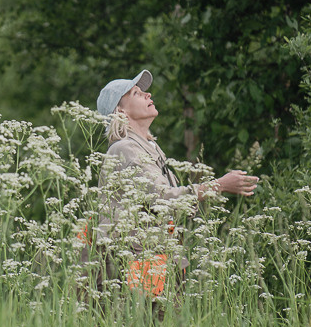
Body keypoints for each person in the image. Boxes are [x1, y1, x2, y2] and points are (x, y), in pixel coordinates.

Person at [90, 69, 258, 296]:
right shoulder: (125, 149)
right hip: (132, 258)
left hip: (153, 256)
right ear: (120, 111)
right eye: (137, 93)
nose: (148, 95)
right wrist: (220, 185)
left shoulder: (149, 147)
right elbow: (163, 198)